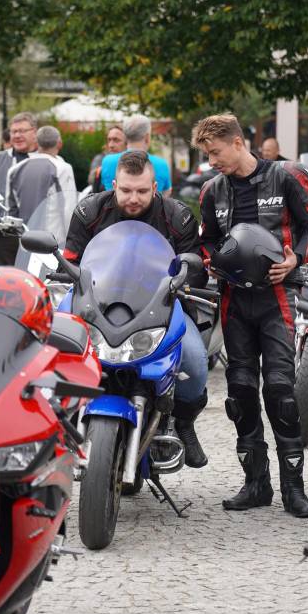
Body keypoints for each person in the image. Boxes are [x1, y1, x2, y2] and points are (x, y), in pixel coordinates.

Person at [194, 114, 308, 517]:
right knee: (241, 390)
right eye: (207, 155)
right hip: (234, 301)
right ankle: (255, 484)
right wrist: (212, 262)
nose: (212, 161)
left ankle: (294, 490)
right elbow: (206, 241)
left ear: (237, 143)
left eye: (216, 152)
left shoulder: (286, 176)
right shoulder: (212, 190)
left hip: (278, 298)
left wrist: (295, 259)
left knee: (281, 390)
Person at [64, 150, 209, 468]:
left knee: (195, 361)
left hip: (163, 306)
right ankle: (59, 419)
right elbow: (71, 261)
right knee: (57, 347)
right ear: (114, 185)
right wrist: (63, 271)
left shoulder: (178, 216)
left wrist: (187, 273)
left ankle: (184, 423)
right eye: (126, 190)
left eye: (142, 191)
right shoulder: (90, 211)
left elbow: (196, 268)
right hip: (98, 307)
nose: (133, 198)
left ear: (155, 187)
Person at [6, 125, 77, 228]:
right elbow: (68, 209)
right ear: (60, 144)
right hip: (52, 236)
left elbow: (11, 211)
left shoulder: (14, 170)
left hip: (24, 235)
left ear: (36, 143)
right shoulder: (63, 168)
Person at [100, 114, 172, 196]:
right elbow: (166, 194)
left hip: (114, 204)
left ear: (126, 137)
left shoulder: (107, 161)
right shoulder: (161, 164)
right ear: (147, 137)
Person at [0, 112, 38, 198]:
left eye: (22, 131)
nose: (17, 135)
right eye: (14, 132)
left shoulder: (48, 160)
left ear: (34, 132)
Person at [88, 125, 127, 191]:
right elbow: (91, 180)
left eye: (116, 140)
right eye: (109, 140)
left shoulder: (133, 160)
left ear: (127, 143)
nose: (111, 145)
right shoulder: (100, 158)